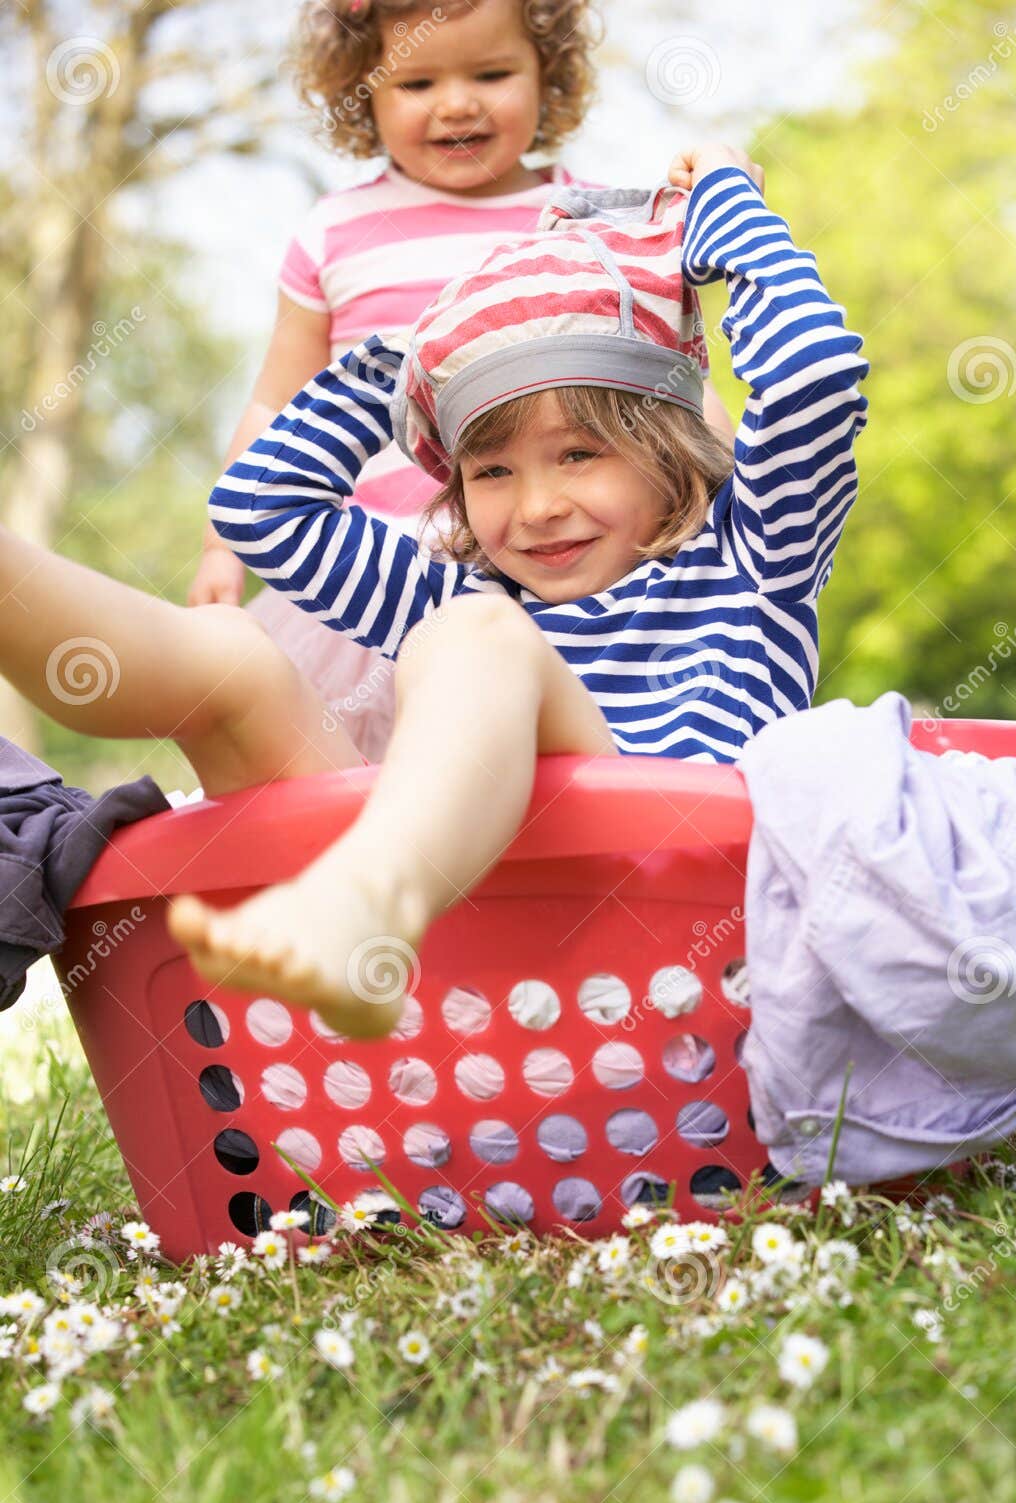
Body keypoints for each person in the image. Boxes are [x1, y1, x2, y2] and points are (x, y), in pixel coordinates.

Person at [164, 142, 868, 1036]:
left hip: (699, 991)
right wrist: (423, 351)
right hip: (524, 1032)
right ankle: (357, 916)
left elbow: (816, 372)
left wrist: (723, 214)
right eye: (491, 471)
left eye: (579, 453)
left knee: (476, 634)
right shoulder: (464, 592)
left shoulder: (753, 558)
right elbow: (260, 509)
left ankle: (361, 904)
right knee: (468, 629)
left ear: (668, 443)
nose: (537, 508)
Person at [188, 0, 732, 760]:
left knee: (536, 769)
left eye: (491, 72)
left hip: (550, 567)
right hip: (370, 569)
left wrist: (717, 484)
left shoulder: (593, 222)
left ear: (548, 70)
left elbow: (663, 373)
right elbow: (274, 403)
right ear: (362, 87)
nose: (456, 103)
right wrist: (221, 551)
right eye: (415, 83)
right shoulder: (334, 233)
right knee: (349, 774)